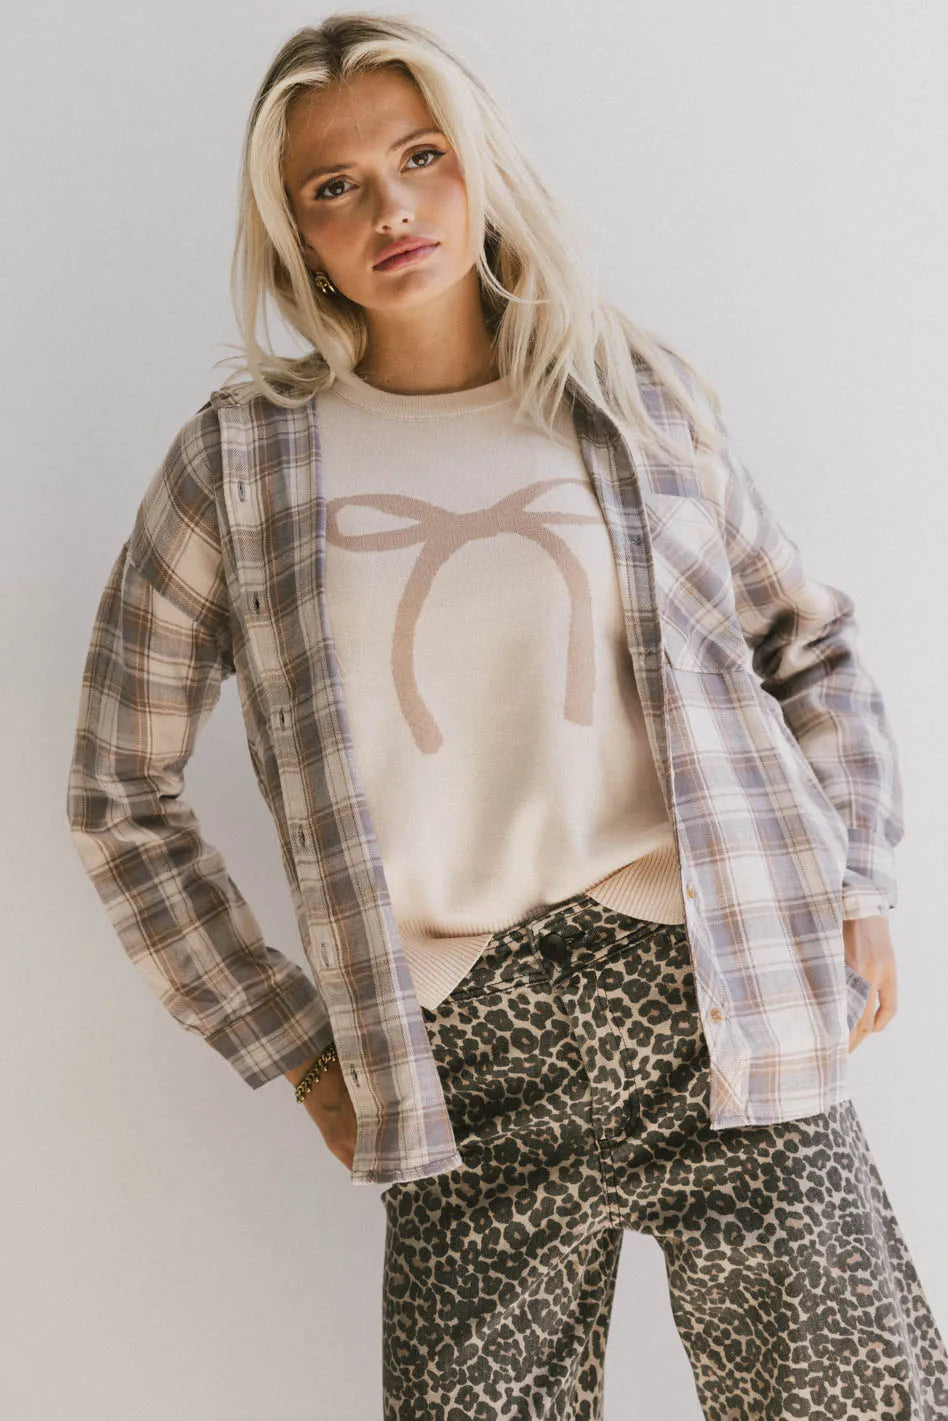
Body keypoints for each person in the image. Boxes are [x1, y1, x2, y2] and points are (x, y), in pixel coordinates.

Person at [65, 12, 948, 1417]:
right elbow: (118, 789)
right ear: (296, 235)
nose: (391, 208)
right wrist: (290, 1043)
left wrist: (859, 883)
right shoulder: (239, 466)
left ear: (481, 167)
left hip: (709, 990)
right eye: (336, 186)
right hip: (461, 1056)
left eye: (422, 156)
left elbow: (809, 639)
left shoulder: (627, 399)